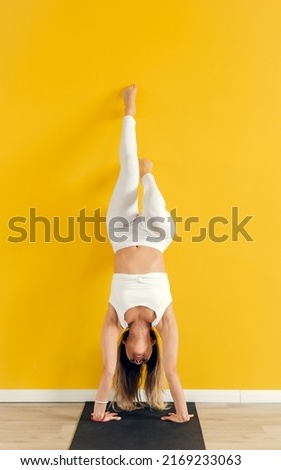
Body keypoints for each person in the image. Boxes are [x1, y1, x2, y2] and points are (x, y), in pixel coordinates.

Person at [91, 84, 194, 424]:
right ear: (151, 348)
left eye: (133, 361)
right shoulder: (164, 321)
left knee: (127, 171)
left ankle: (129, 110)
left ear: (125, 348)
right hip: (156, 235)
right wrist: (182, 415)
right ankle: (149, 177)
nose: (139, 360)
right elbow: (173, 371)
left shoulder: (114, 321)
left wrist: (98, 414)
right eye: (145, 360)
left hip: (120, 235)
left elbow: (108, 373)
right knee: (151, 198)